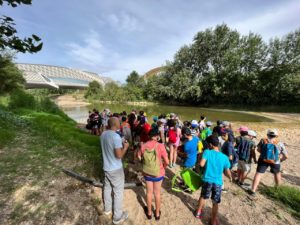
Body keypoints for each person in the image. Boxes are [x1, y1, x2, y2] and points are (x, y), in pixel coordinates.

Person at [195, 135, 232, 225]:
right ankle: (213, 221)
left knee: (203, 196)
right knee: (215, 202)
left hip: (207, 180)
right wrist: (230, 177)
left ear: (211, 144)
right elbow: (227, 171)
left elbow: (202, 164)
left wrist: (200, 157)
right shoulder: (224, 157)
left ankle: (198, 212)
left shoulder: (207, 152)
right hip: (218, 182)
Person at [100, 117, 129, 224]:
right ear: (116, 124)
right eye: (119, 123)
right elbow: (119, 155)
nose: (120, 124)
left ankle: (107, 210)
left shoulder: (103, 134)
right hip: (115, 169)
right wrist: (125, 147)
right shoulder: (116, 137)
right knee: (118, 192)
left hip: (106, 167)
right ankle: (117, 217)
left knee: (107, 188)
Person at [138, 129, 169, 221]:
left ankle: (149, 213)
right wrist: (163, 167)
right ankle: (157, 214)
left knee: (148, 193)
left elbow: (139, 156)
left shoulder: (143, 145)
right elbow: (167, 161)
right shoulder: (160, 146)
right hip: (158, 173)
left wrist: (144, 163)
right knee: (157, 193)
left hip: (147, 172)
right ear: (157, 136)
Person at [249, 129, 288, 197]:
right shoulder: (280, 143)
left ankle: (253, 190)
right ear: (276, 136)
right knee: (277, 174)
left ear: (267, 135)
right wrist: (280, 160)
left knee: (258, 174)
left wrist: (264, 154)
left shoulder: (263, 140)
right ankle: (278, 190)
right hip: (275, 161)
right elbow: (286, 156)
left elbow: (258, 149)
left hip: (263, 159)